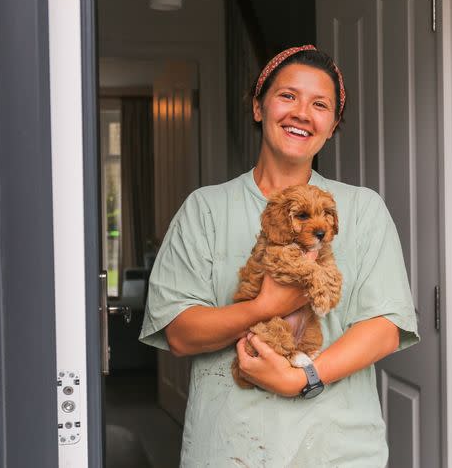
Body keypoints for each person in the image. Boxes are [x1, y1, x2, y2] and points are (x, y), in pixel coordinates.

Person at [139, 45, 419, 466]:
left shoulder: (362, 209)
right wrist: (264, 306)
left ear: (332, 125)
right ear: (258, 106)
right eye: (288, 96)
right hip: (231, 448)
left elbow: (385, 327)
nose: (302, 112)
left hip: (337, 449)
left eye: (320, 104)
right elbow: (179, 333)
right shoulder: (206, 209)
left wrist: (300, 379)